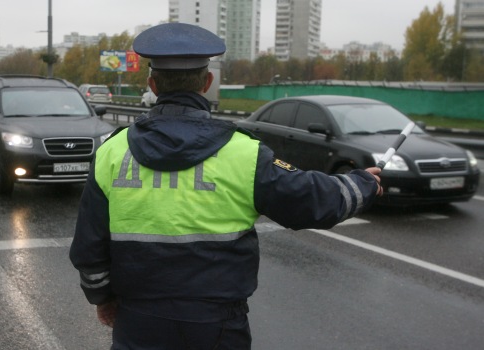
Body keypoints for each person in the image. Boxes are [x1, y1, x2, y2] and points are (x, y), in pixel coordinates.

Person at [70, 22, 383, 349]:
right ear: (207, 83)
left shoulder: (112, 152)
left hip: (138, 320)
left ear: (152, 84)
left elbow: (89, 248)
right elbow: (312, 201)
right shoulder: (243, 152)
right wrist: (362, 184)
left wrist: (102, 298)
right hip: (218, 326)